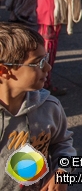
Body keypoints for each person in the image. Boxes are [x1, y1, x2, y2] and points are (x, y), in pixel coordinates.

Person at [0, 22, 76, 190]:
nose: (48, 67)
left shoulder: (50, 106)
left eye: (46, 59)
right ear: (4, 71)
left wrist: (61, 171)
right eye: (39, 63)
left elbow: (63, 144)